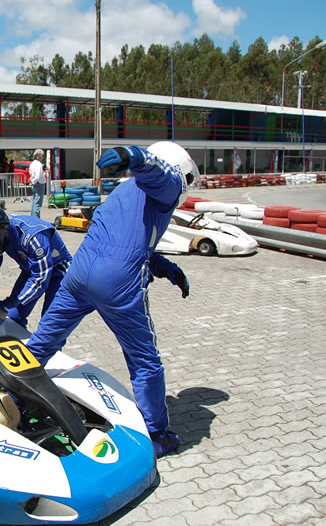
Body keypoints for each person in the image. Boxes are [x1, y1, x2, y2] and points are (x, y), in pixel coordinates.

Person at [25, 141, 200, 458]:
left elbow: (129, 241)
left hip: (79, 275)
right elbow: (166, 177)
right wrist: (134, 155)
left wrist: (165, 267)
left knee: (43, 342)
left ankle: (12, 395)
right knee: (145, 360)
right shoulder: (167, 186)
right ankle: (157, 433)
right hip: (117, 285)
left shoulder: (125, 191)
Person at [0, 202, 72, 329]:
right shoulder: (1, 234)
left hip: (59, 273)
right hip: (30, 271)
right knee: (14, 318)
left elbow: (40, 280)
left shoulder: (33, 237)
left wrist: (8, 303)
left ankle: (44, 347)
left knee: (50, 325)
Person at [29, 149, 47, 219]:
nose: (43, 157)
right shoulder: (38, 164)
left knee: (34, 202)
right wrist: (35, 181)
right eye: (42, 156)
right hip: (39, 184)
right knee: (38, 203)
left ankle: (33, 218)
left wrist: (33, 180)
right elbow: (38, 175)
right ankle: (36, 219)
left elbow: (31, 174)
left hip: (35, 184)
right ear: (40, 156)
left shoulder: (32, 163)